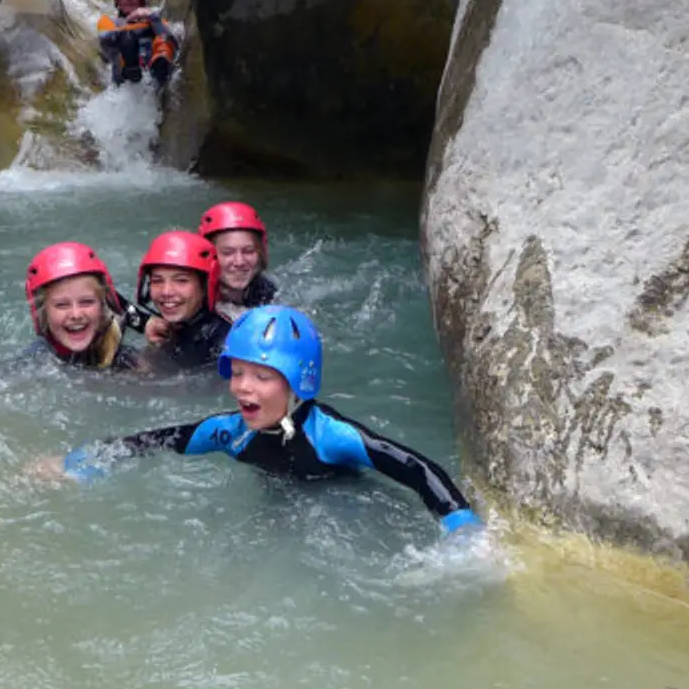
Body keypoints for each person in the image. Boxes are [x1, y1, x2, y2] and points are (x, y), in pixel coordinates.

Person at [45, 306, 483, 534]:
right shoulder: (229, 432)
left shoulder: (331, 435)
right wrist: (80, 460)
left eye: (261, 377)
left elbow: (415, 468)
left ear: (297, 384)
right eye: (236, 373)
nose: (242, 388)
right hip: (277, 505)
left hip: (345, 501)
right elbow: (157, 439)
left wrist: (460, 527)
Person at [25, 242, 137, 371]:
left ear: (102, 305)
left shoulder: (130, 361)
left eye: (87, 302)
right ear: (44, 312)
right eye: (62, 305)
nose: (76, 315)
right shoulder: (33, 364)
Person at [132, 230, 228, 372]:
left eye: (181, 281)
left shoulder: (224, 343)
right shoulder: (173, 328)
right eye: (157, 281)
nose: (166, 292)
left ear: (205, 286)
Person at [96, 0, 182, 89]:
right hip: (126, 78)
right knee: (127, 37)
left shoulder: (154, 20)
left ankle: (160, 71)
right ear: (118, 0)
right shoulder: (109, 21)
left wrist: (152, 18)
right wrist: (132, 24)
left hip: (154, 75)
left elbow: (171, 38)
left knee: (165, 38)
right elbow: (106, 39)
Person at [199, 201, 278, 323]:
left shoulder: (265, 290)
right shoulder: (192, 298)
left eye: (248, 251)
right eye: (227, 253)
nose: (239, 262)